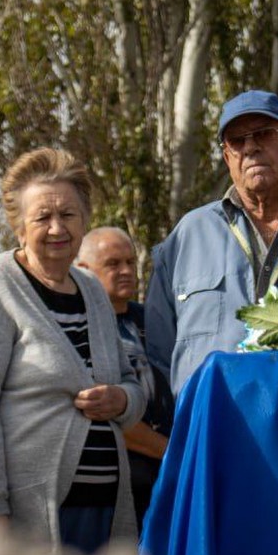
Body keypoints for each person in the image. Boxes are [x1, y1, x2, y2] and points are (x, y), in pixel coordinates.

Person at [0, 148, 145, 553]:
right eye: (42, 217)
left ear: (85, 220)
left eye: (68, 215)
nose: (57, 227)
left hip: (107, 512)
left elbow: (131, 383)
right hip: (33, 516)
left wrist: (121, 399)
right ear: (19, 227)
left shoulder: (92, 289)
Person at [145, 90, 278, 395]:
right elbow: (158, 354)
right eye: (237, 141)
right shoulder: (188, 236)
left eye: (264, 134)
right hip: (212, 431)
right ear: (228, 157)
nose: (250, 148)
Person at [76, 226, 174, 529]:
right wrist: (173, 452)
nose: (126, 271)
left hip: (167, 478)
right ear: (83, 269)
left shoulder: (154, 320)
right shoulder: (78, 326)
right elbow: (103, 409)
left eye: (131, 262)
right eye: (113, 264)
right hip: (118, 485)